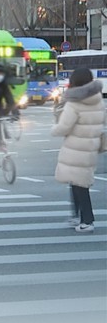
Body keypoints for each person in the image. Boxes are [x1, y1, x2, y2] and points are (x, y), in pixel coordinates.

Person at [51, 68, 105, 233]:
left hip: (75, 148)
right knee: (78, 182)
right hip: (90, 147)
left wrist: (54, 129)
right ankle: (77, 216)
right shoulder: (98, 101)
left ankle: (87, 220)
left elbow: (64, 127)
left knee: (79, 185)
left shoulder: (74, 103)